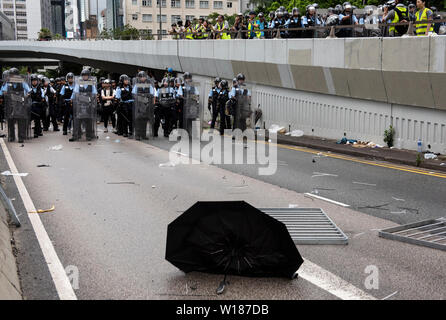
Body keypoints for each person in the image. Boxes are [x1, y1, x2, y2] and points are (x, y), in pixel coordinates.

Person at [0, 68, 31, 143]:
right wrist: (4, 94)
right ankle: (11, 136)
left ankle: (21, 137)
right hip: (10, 105)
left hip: (20, 105)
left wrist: (25, 97)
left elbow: (29, 91)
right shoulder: (7, 83)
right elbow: (1, 92)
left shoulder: (22, 82)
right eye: (10, 75)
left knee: (21, 121)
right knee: (10, 121)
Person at [69, 69, 97, 142]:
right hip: (79, 105)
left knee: (88, 120)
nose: (85, 77)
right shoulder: (78, 83)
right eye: (84, 75)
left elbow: (94, 94)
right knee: (78, 120)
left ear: (89, 76)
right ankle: (76, 135)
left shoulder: (92, 83)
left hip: (89, 105)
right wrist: (73, 99)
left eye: (86, 75)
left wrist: (89, 99)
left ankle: (89, 135)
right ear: (82, 76)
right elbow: (75, 93)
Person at [132, 71, 155, 140]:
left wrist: (145, 96)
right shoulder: (136, 84)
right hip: (138, 105)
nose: (142, 78)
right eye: (141, 77)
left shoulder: (149, 84)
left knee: (144, 120)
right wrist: (141, 96)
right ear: (139, 78)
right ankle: (137, 135)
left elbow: (152, 93)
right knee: (138, 119)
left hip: (147, 104)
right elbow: (133, 94)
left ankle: (143, 135)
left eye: (144, 77)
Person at [177, 72, 200, 137]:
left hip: (191, 105)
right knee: (182, 120)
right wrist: (186, 98)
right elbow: (180, 95)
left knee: (191, 120)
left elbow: (197, 95)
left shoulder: (193, 86)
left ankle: (191, 134)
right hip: (183, 105)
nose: (187, 79)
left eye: (188, 78)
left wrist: (192, 98)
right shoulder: (181, 86)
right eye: (185, 78)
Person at [29, 74, 45, 138]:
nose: (34, 82)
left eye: (35, 80)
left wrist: (42, 100)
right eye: (33, 81)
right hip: (31, 106)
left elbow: (43, 96)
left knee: (37, 119)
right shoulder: (29, 88)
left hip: (38, 106)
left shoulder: (40, 88)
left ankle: (37, 132)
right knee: (29, 119)